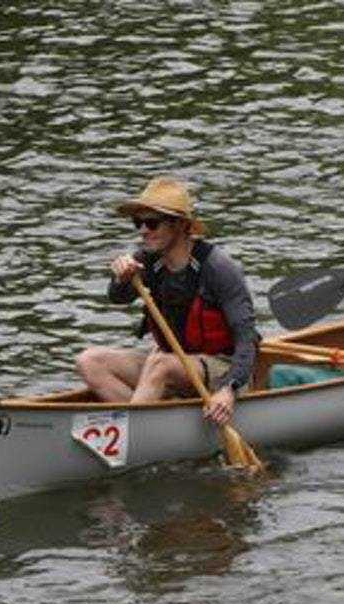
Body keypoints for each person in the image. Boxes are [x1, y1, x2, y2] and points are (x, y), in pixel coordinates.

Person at [75, 176, 258, 427]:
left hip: (223, 369)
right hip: (175, 363)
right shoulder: (148, 261)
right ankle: (149, 426)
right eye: (138, 222)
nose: (143, 230)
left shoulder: (218, 268)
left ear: (181, 225)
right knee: (89, 361)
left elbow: (247, 341)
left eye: (152, 223)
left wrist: (229, 389)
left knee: (160, 364)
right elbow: (118, 298)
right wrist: (123, 278)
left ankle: (135, 434)